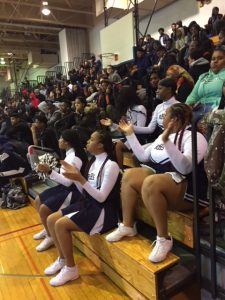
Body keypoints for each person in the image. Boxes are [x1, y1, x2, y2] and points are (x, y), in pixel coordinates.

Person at [106, 103, 208, 263]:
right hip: (165, 183)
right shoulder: (163, 136)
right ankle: (127, 225)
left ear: (174, 119)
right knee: (129, 175)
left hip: (190, 190)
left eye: (165, 114)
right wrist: (130, 134)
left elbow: (186, 167)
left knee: (151, 182)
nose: (162, 117)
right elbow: (143, 157)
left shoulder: (195, 137)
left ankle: (163, 239)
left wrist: (168, 142)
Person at [43, 130, 120, 286]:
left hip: (104, 211)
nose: (87, 142)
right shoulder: (92, 162)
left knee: (60, 225)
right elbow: (85, 190)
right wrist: (76, 177)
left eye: (91, 139)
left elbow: (102, 197)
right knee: (51, 219)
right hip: (89, 203)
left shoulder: (111, 165)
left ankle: (71, 270)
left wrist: (79, 178)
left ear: (100, 145)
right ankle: (63, 260)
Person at [33, 129, 87, 252]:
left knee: (44, 209)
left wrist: (50, 171)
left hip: (75, 191)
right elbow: (64, 176)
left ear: (67, 142)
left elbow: (69, 181)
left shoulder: (75, 158)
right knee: (38, 200)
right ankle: (47, 229)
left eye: (61, 138)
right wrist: (49, 170)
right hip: (66, 187)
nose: (58, 140)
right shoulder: (68, 154)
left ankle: (50, 236)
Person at [133, 78, 179, 142]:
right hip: (160, 139)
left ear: (169, 89)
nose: (157, 91)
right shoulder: (159, 107)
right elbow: (150, 129)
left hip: (174, 139)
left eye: (160, 88)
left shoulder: (178, 106)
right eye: (157, 88)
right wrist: (131, 128)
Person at [186, 46, 225, 111]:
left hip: (218, 110)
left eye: (220, 58)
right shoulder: (203, 76)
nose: (215, 61)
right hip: (199, 110)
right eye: (213, 59)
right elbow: (193, 96)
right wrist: (186, 108)